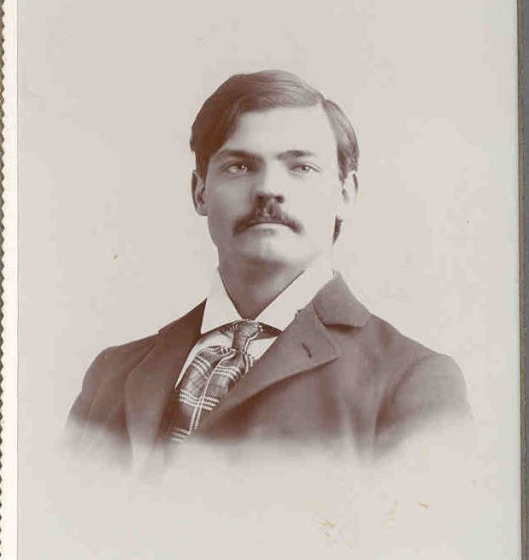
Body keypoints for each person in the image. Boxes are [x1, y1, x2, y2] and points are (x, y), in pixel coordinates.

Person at [66, 70, 470, 469]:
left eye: (301, 167)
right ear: (200, 192)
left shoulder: (410, 381)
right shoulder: (111, 374)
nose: (267, 189)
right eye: (239, 166)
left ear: (345, 194)